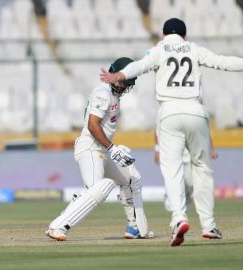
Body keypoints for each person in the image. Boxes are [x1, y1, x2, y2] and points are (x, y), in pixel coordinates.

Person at [99, 18, 241, 246]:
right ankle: (209, 225)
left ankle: (178, 218)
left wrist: (118, 76)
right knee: (202, 168)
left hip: (169, 113)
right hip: (196, 111)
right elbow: (223, 62)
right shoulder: (194, 49)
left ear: (164, 35)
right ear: (184, 36)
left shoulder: (159, 49)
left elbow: (138, 66)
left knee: (172, 169)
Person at [46, 57, 150, 241]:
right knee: (98, 189)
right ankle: (57, 226)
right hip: (90, 148)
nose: (126, 86)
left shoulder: (114, 94)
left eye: (128, 82)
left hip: (103, 150)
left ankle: (135, 227)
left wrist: (112, 150)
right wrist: (113, 148)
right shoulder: (103, 92)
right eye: (124, 80)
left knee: (131, 177)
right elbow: (93, 125)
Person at [155, 133, 219, 212]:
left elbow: (204, 129)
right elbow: (157, 130)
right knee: (174, 179)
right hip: (172, 152)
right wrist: (157, 150)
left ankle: (186, 198)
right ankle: (171, 196)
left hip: (190, 152)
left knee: (191, 182)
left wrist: (211, 149)